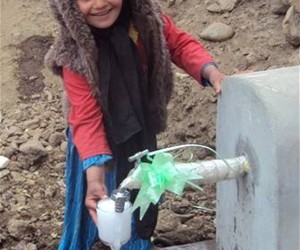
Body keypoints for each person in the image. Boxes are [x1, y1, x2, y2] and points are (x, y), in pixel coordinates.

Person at [45, 0, 225, 249]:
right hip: (94, 148)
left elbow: (179, 44)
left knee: (138, 199)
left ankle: (136, 243)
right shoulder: (73, 54)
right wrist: (95, 178)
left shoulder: (146, 22)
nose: (99, 4)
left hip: (139, 132)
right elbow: (86, 118)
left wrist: (211, 72)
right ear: (68, 6)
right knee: (98, 206)